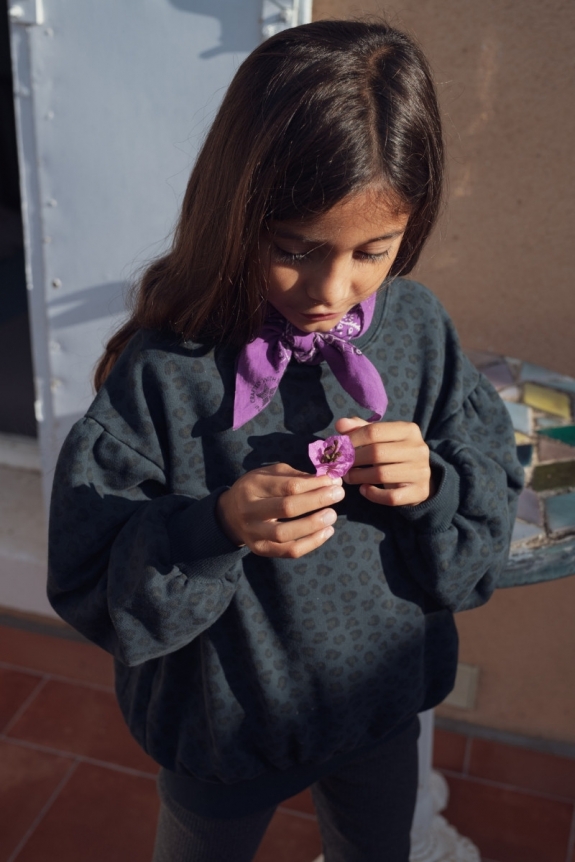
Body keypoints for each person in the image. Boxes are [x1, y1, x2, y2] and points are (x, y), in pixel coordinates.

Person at [47, 19, 523, 862]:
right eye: (293, 250)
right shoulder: (170, 370)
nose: (330, 290)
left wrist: (435, 484)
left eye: (372, 252)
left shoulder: (416, 328)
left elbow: (483, 518)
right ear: (238, 214)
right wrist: (214, 526)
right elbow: (90, 578)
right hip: (226, 727)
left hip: (379, 708)